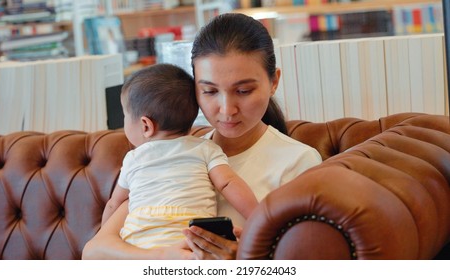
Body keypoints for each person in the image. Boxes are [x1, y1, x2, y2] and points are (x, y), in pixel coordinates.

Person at [82, 13, 322, 260]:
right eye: (209, 91)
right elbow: (94, 251)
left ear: (273, 81)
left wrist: (248, 257)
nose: (227, 109)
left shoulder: (299, 162)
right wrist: (162, 257)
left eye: (243, 90)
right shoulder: (169, 155)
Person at [101, 63, 258, 250]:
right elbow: (228, 183)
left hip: (139, 243)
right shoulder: (205, 148)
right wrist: (258, 219)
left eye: (125, 116)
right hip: (192, 240)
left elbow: (114, 204)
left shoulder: (133, 159)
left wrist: (102, 238)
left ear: (146, 125)